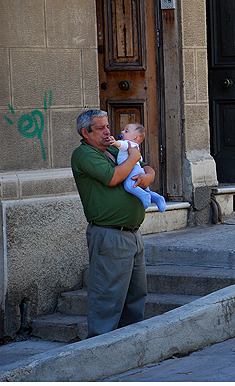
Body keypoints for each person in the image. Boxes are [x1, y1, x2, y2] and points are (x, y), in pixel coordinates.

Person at [71, 109, 154, 338]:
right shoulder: (84, 154)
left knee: (135, 297)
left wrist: (149, 174)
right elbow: (113, 178)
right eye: (100, 128)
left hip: (132, 234)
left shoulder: (112, 148)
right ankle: (100, 350)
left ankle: (130, 345)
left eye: (107, 126)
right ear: (85, 133)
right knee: (107, 298)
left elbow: (145, 166)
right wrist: (134, 158)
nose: (108, 131)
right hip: (110, 236)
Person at [109, 122, 166, 212]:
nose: (122, 132)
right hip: (136, 169)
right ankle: (158, 198)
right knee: (144, 189)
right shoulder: (134, 146)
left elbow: (123, 145)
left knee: (129, 186)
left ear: (136, 138)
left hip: (133, 170)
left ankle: (145, 197)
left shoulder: (130, 144)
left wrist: (115, 142)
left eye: (126, 131)